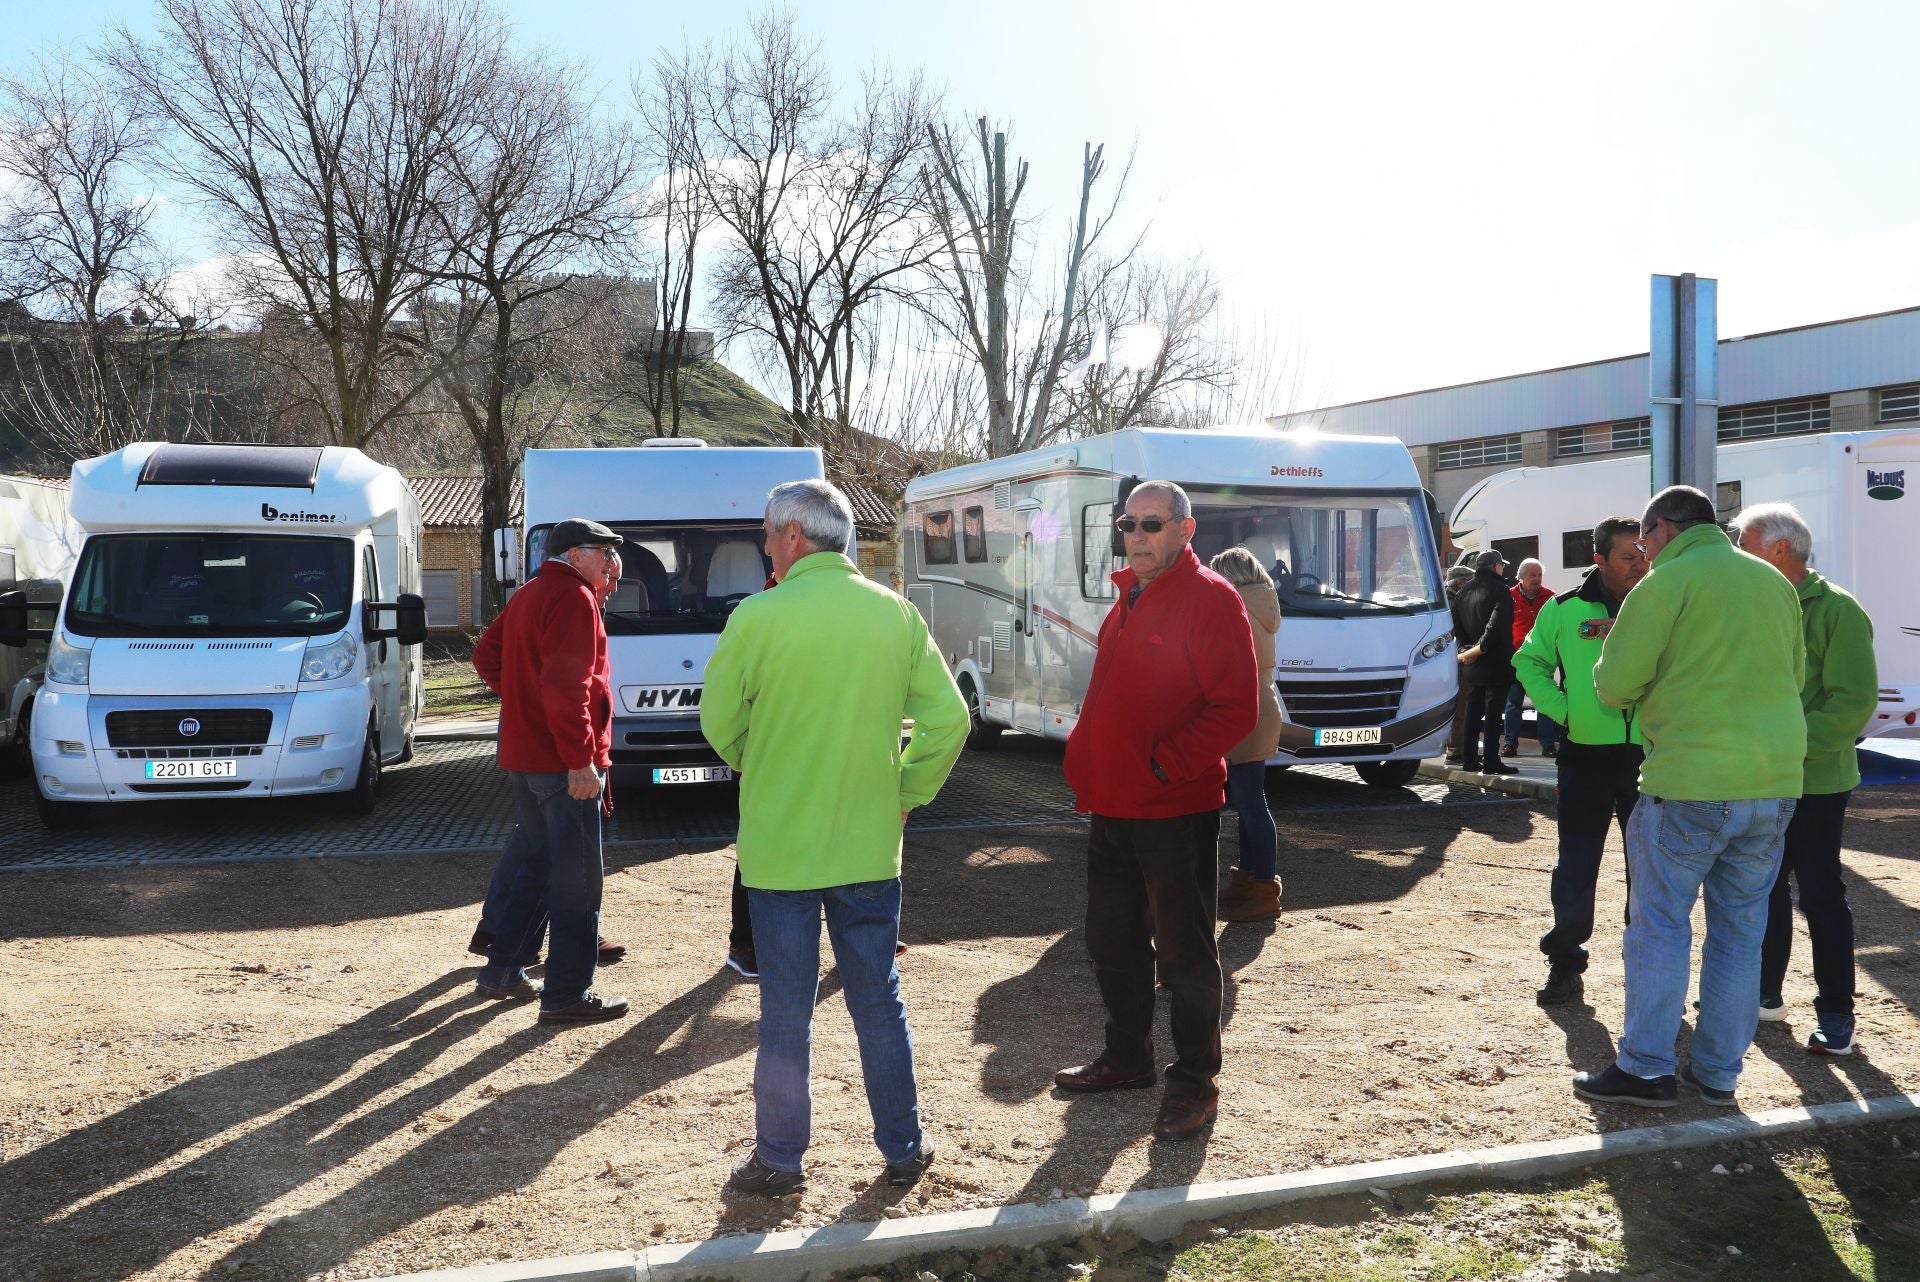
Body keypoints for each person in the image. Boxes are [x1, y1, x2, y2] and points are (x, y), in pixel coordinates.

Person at [701, 479, 968, 1195]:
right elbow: (950, 722)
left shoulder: (756, 617)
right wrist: (904, 792)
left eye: (766, 531)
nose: (764, 543)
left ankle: (780, 1161)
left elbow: (718, 723)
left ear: (794, 535)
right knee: (877, 1000)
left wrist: (761, 763)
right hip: (867, 846)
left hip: (781, 846)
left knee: (785, 1009)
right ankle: (904, 1148)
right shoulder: (897, 615)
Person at [1574, 485, 1804, 1109]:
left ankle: (1647, 1068)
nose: (1643, 553)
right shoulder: (1773, 582)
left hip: (1690, 782)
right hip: (1774, 781)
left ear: (1666, 529)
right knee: (1740, 932)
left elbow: (1615, 686)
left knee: (1660, 928)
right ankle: (1718, 1074)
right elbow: (1797, 675)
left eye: (1645, 540)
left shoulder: (1663, 584)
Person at [1055, 481, 1259, 1142]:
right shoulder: (1128, 600)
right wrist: (1087, 762)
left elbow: (1237, 708)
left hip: (1174, 808)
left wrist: (1166, 764)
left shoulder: (1211, 600)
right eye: (1128, 524)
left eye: (1150, 524)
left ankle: (1194, 1081)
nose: (1136, 535)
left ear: (1184, 530)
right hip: (1113, 805)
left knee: (1184, 953)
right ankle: (1128, 1058)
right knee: (1110, 943)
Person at [469, 518, 631, 1026]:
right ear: (575, 555)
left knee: (538, 866)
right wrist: (579, 759)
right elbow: (569, 688)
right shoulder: (573, 598)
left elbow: (486, 657)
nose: (611, 563)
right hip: (563, 764)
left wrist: (524, 704)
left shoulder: (534, 591)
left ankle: (503, 970)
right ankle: (566, 994)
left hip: (529, 756)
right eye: (603, 553)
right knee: (578, 880)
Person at [1735, 502, 1878, 1056]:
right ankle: (1764, 995)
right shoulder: (1753, 602)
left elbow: (1853, 702)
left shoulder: (1838, 610)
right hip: (1760, 776)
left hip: (1814, 781)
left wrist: (1784, 745)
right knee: (1760, 891)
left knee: (1820, 895)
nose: (1736, 555)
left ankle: (1837, 1015)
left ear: (1776, 550)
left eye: (1744, 545)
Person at [1513, 518, 1648, 1006]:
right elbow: (1528, 661)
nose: (1639, 564)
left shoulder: (1664, 603)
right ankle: (1565, 965)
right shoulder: (1565, 609)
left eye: (1643, 553)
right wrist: (1564, 711)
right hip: (1585, 759)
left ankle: (1650, 971)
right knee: (1576, 866)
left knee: (1650, 872)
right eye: (1627, 557)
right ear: (1600, 560)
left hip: (1652, 760)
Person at [1210, 547, 1284, 923]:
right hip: (1263, 703)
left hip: (1246, 708)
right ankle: (1250, 880)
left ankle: (1263, 890)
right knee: (1249, 800)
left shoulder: (1235, 605)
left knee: (1252, 803)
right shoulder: (1264, 602)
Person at [1453, 550, 1517, 775]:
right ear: (1495, 566)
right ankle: (1491, 760)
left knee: (1473, 710)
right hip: (1495, 660)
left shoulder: (1463, 591)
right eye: (1502, 565)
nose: (1503, 569)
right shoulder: (1501, 590)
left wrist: (1465, 649)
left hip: (1470, 661)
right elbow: (1497, 625)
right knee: (1493, 714)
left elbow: (1456, 624)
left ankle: (1469, 759)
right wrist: (1481, 649)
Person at [1504, 558, 1559, 759]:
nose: (1537, 579)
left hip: (1542, 659)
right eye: (1532, 576)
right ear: (1521, 577)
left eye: (1539, 575)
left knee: (1544, 703)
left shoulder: (1550, 597)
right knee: (1513, 703)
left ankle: (1548, 744)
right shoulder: (1508, 597)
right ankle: (1510, 744)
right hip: (1517, 659)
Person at [1443, 563, 1476, 763]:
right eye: (1470, 581)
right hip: (1456, 658)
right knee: (1461, 704)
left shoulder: (1447, 598)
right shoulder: (1454, 601)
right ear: (1461, 582)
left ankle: (1455, 745)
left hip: (1450, 658)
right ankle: (1455, 748)